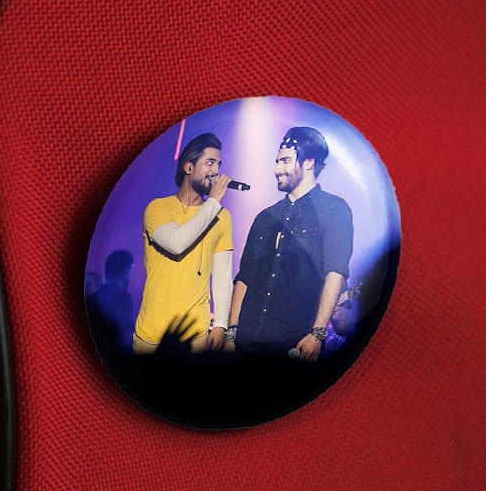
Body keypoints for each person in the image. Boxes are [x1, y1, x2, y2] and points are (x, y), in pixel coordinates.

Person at [226, 127, 352, 361]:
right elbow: (244, 278)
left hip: (293, 344)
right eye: (277, 162)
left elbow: (335, 272)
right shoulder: (265, 217)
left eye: (285, 161)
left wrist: (317, 334)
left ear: (309, 163)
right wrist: (231, 333)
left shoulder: (334, 209)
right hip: (245, 341)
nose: (277, 170)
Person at [133, 133, 234, 355]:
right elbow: (176, 243)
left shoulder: (222, 217)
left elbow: (222, 276)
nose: (215, 171)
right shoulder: (158, 208)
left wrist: (221, 325)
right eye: (209, 162)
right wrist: (214, 201)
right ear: (189, 167)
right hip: (152, 336)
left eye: (218, 164)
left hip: (195, 338)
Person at [87, 250, 136, 351]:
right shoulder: (122, 297)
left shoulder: (92, 296)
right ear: (125, 272)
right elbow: (125, 336)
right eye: (130, 272)